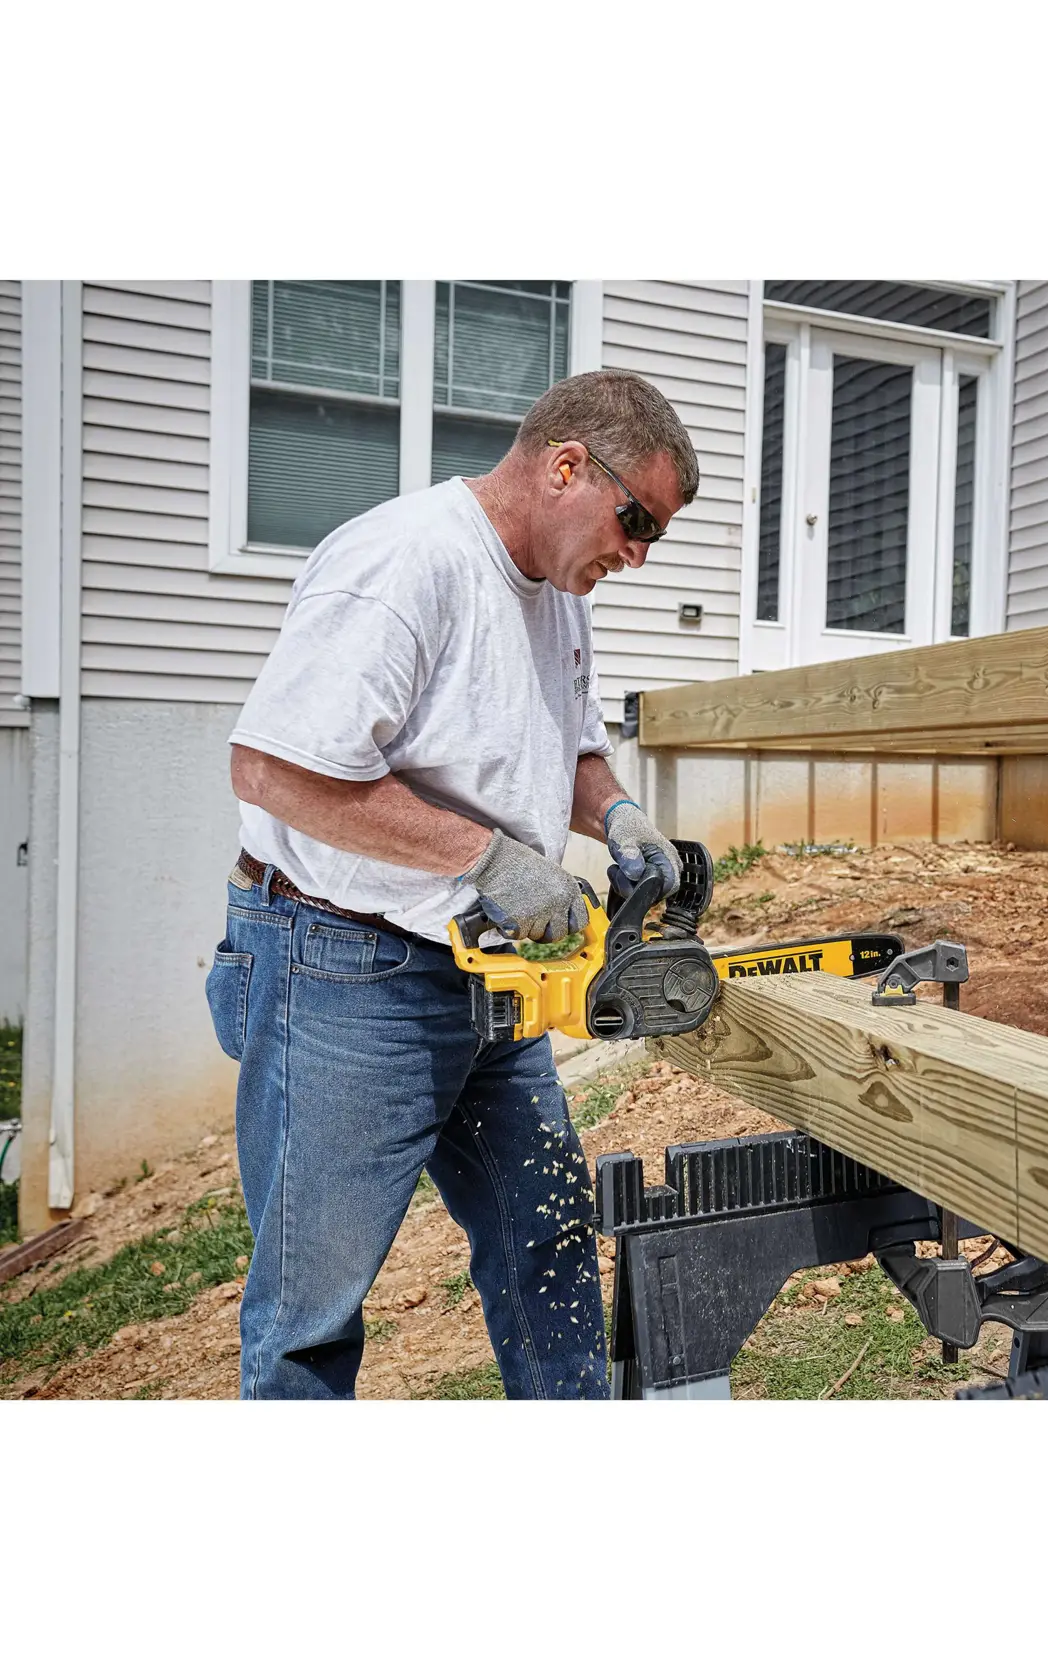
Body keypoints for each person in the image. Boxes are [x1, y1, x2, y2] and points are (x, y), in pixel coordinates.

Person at [206, 370, 698, 1399]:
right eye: (636, 519)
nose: (639, 554)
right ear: (568, 466)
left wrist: (616, 815)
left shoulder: (562, 591)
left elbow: (568, 744)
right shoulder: (406, 561)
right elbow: (274, 768)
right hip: (345, 968)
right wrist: (486, 858)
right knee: (313, 1314)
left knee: (549, 1243)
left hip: (488, 976)